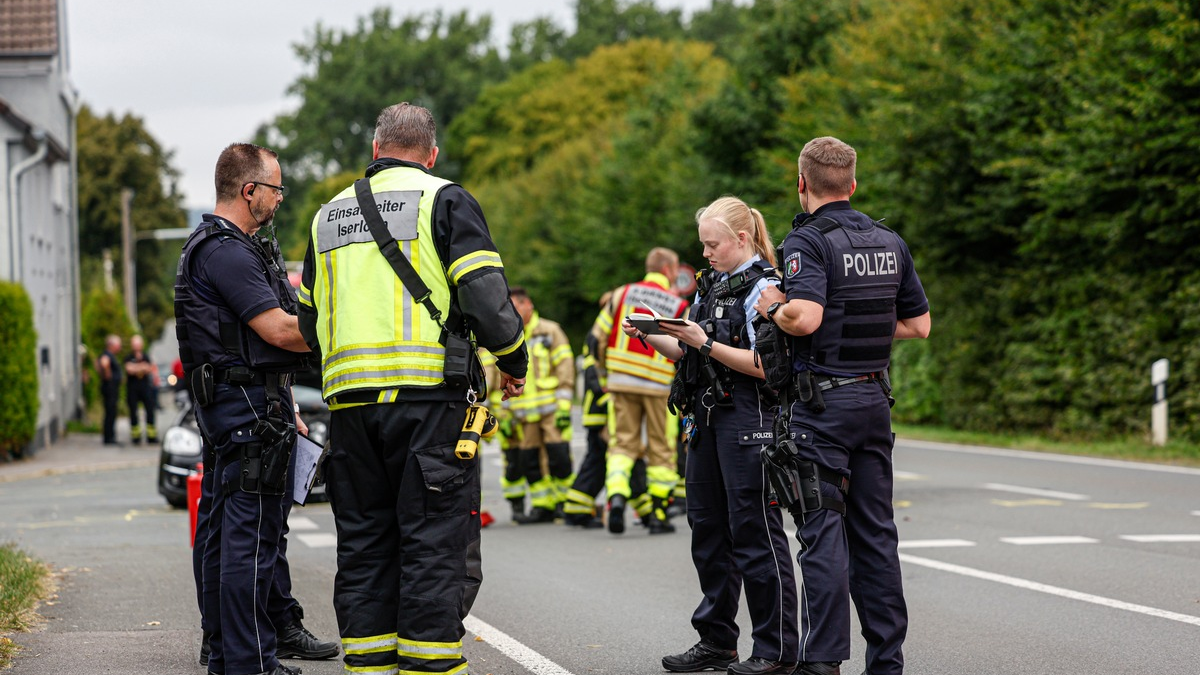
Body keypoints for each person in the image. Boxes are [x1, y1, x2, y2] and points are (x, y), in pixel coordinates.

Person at [297, 102, 528, 675]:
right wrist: (513, 358)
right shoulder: (445, 199)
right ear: (431, 155)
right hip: (428, 402)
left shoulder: (326, 217)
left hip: (349, 409)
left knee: (364, 543)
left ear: (375, 150)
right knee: (431, 543)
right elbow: (483, 294)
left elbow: (307, 320)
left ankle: (370, 666)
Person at [753, 136, 931, 675]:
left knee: (822, 532)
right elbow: (919, 325)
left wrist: (773, 306)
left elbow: (803, 318)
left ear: (801, 182)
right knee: (876, 534)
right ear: (853, 184)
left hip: (821, 409)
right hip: (874, 400)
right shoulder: (889, 241)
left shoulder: (807, 242)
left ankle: (823, 663)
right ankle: (887, 663)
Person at [633, 197, 799, 675]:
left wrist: (702, 341)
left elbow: (767, 367)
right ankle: (716, 640)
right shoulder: (711, 287)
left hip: (749, 418)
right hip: (704, 419)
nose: (704, 253)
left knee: (755, 534)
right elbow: (691, 355)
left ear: (742, 239)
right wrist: (653, 334)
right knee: (707, 531)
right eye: (703, 244)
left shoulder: (765, 287)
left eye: (713, 244)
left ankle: (776, 650)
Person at [175, 141, 323, 675]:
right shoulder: (229, 251)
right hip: (246, 415)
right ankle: (249, 662)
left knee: (222, 533)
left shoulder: (210, 246)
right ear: (249, 190)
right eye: (276, 189)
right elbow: (279, 330)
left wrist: (285, 400)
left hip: (239, 406)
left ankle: (225, 653)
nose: (280, 199)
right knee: (250, 541)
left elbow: (240, 343)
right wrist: (340, 326)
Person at [593, 248, 689, 534]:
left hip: (621, 382)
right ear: (670, 270)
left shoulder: (620, 294)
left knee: (622, 444)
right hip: (659, 386)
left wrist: (604, 374)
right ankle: (659, 514)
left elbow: (596, 338)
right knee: (661, 448)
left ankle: (617, 497)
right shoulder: (678, 304)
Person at [503, 286, 575, 524]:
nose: (511, 312)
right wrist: (505, 414)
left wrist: (564, 407)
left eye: (515, 307)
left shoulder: (550, 331)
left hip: (552, 410)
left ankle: (564, 504)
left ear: (528, 305)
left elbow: (565, 367)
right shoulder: (509, 335)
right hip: (524, 414)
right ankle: (542, 505)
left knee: (559, 458)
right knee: (529, 461)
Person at [123, 335, 158, 445]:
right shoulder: (128, 357)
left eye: (138, 344)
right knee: (133, 412)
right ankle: (136, 437)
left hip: (145, 388)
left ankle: (151, 436)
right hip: (132, 389)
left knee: (150, 411)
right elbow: (129, 369)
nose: (137, 346)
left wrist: (138, 367)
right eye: (135, 344)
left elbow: (150, 368)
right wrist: (142, 367)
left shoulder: (146, 356)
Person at [97, 334, 122, 445]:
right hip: (109, 389)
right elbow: (103, 363)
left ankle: (110, 436)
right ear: (111, 345)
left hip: (111, 388)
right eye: (118, 345)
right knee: (110, 412)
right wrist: (109, 376)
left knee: (112, 412)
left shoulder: (110, 355)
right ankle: (109, 437)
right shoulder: (107, 355)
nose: (119, 347)